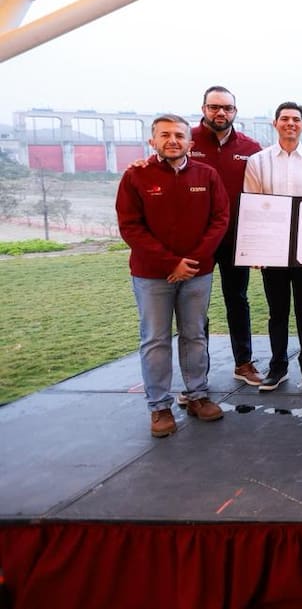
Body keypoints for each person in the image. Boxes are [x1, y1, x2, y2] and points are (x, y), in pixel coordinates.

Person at [116, 114, 229, 438]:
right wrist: (170, 264)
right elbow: (130, 227)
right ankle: (159, 407)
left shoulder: (206, 175)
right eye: (165, 135)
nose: (173, 140)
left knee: (195, 336)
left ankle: (197, 396)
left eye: (179, 135)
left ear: (190, 142)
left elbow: (220, 219)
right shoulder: (136, 177)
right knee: (155, 339)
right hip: (152, 276)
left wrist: (191, 261)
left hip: (196, 273)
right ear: (153, 141)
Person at [243, 101, 302, 391]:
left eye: (296, 119)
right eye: (285, 119)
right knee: (277, 311)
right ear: (275, 123)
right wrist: (255, 250)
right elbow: (253, 206)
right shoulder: (257, 161)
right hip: (272, 249)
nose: (290, 123)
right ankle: (278, 367)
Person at [188, 86, 264, 387]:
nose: (221, 113)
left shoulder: (250, 147)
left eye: (227, 108)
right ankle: (196, 374)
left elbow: (265, 188)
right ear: (203, 108)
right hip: (198, 241)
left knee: (238, 301)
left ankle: (243, 363)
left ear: (235, 111)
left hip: (236, 239)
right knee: (196, 309)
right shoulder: (186, 140)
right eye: (214, 107)